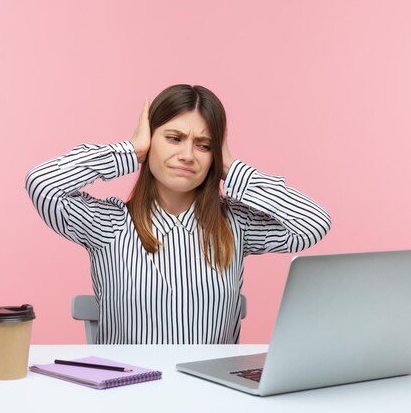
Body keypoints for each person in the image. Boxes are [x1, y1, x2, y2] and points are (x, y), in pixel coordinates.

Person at [26, 84, 331, 344]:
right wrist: (131, 150)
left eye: (203, 145)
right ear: (151, 142)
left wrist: (230, 168)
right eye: (173, 138)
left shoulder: (236, 224)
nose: (187, 155)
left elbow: (313, 222)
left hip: (213, 399)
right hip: (131, 397)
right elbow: (42, 182)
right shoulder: (108, 224)